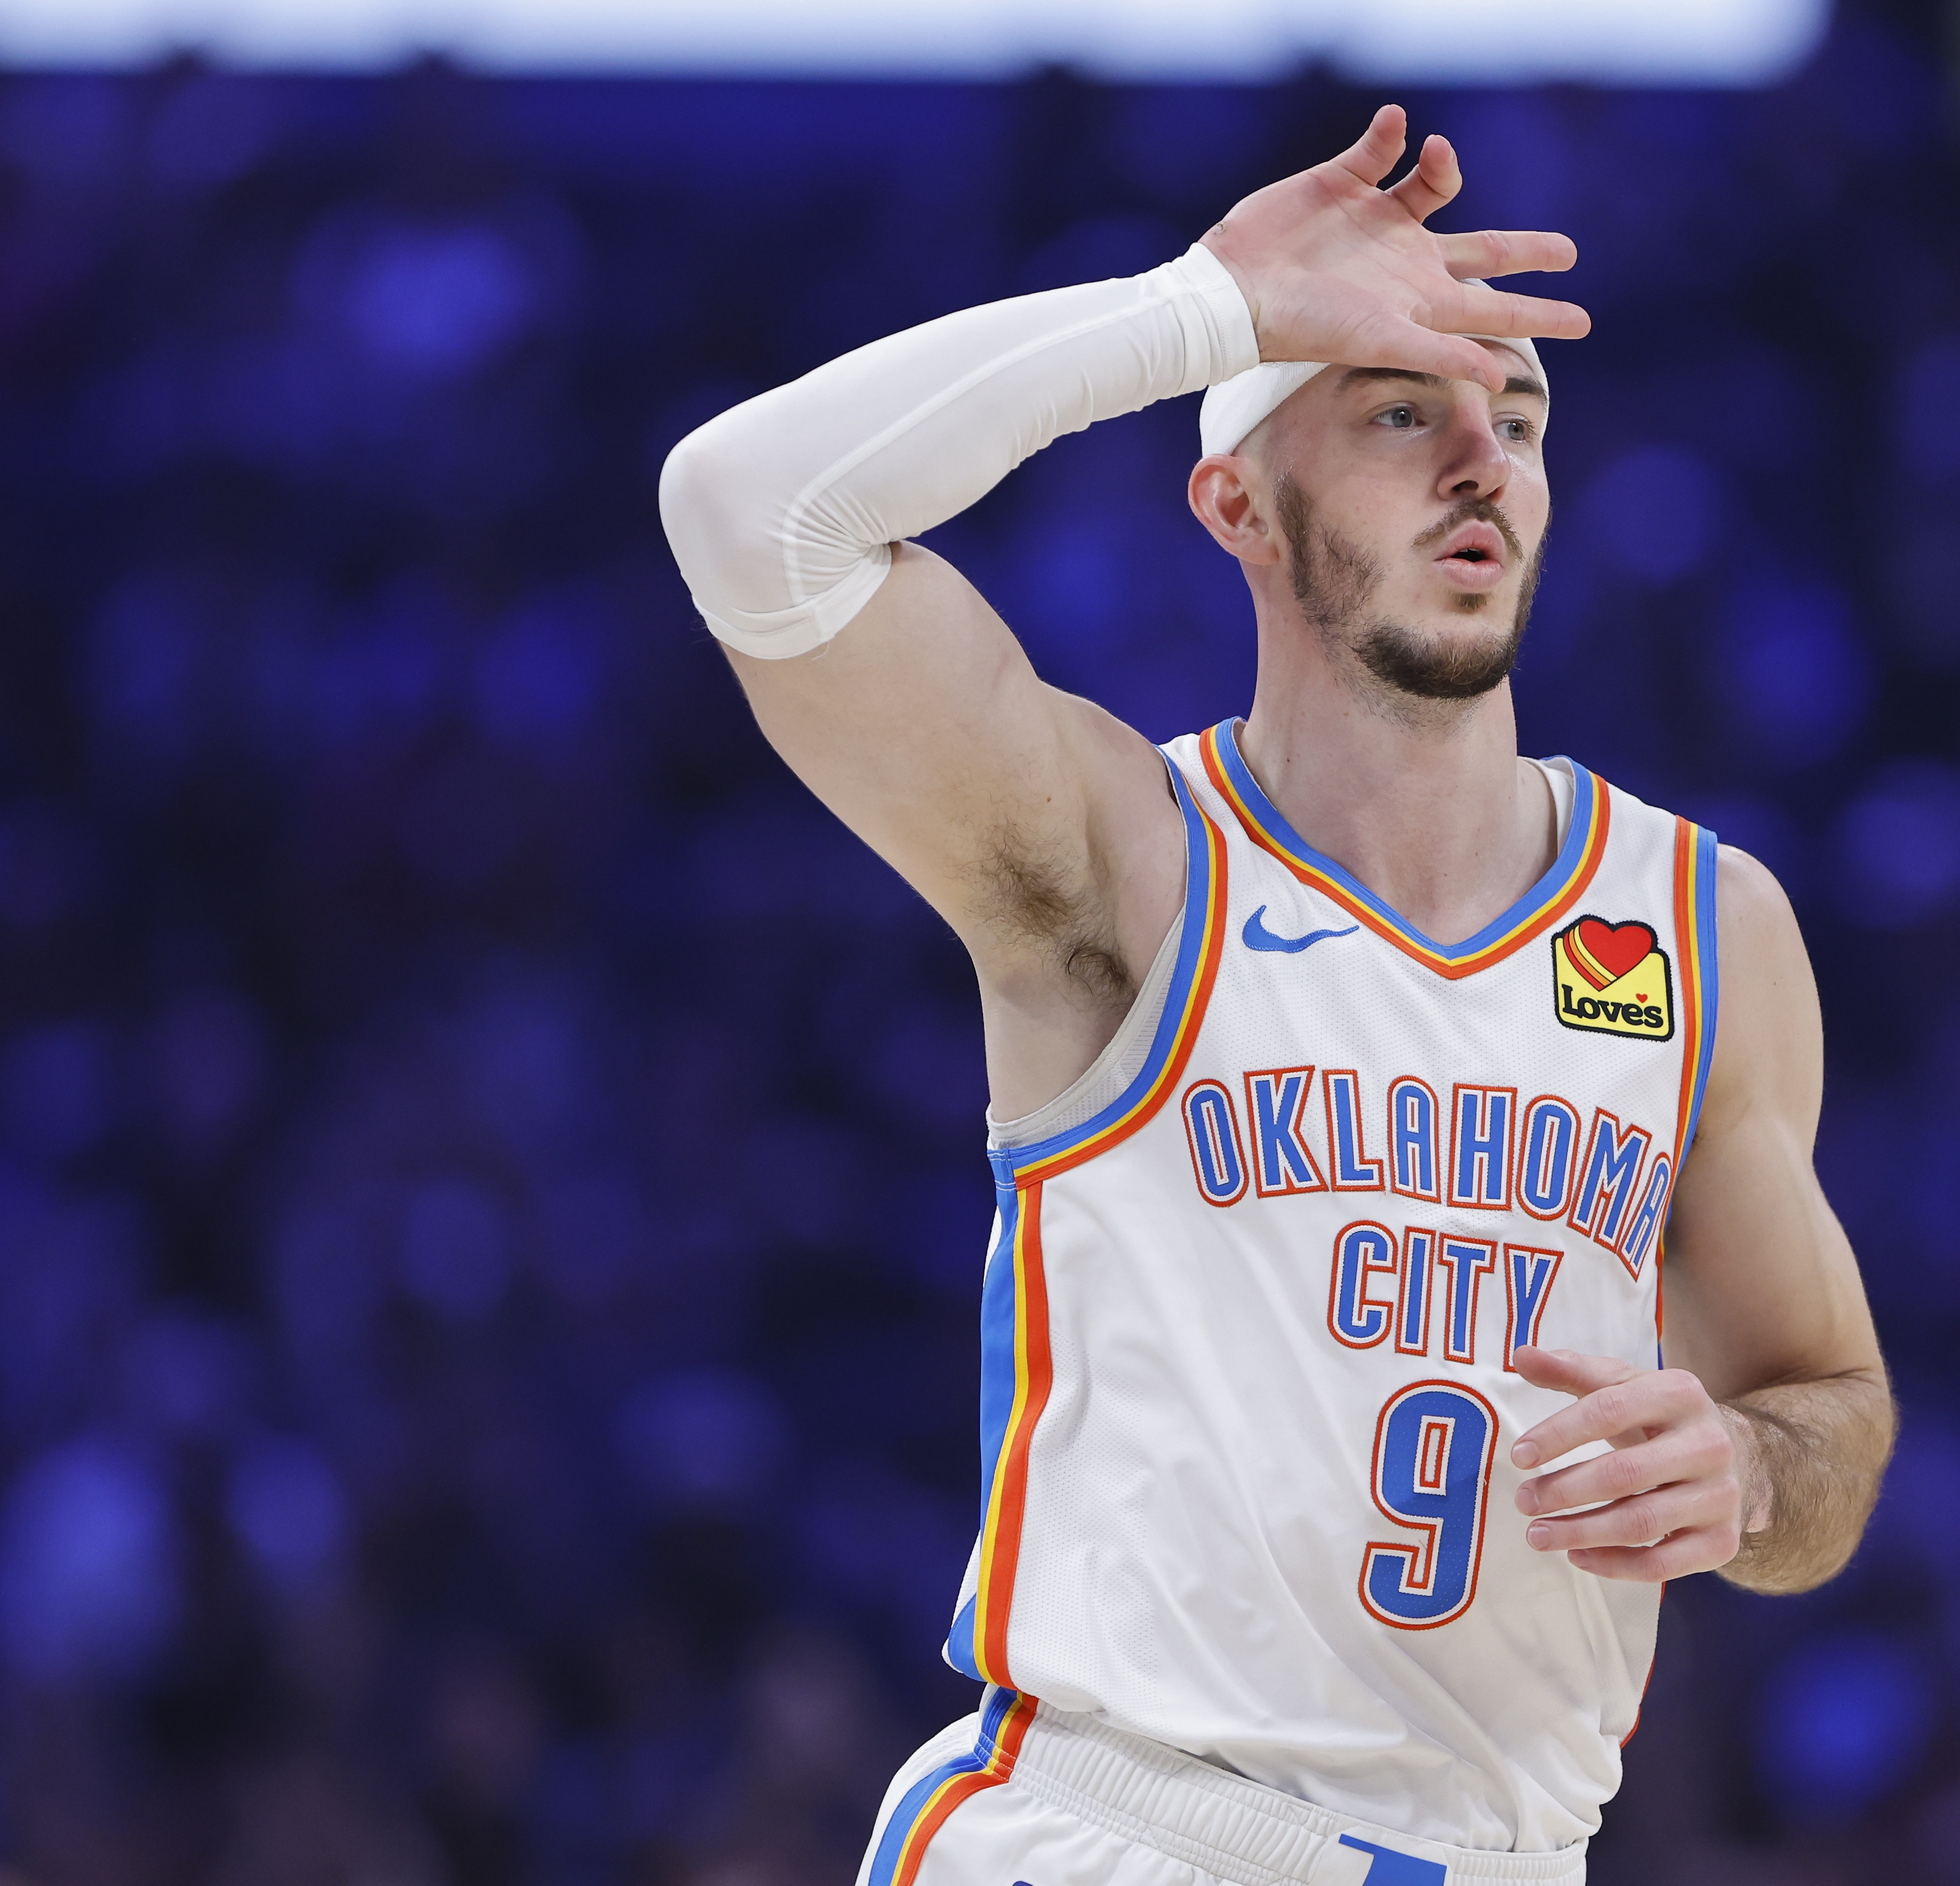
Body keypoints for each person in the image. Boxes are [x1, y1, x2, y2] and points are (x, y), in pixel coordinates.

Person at [659, 105, 1893, 1886]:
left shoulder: (1704, 925)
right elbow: (744, 515)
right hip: (1128, 1835)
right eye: (1400, 413)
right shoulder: (1123, 857)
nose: (1479, 463)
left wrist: (1754, 1478)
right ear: (1238, 501)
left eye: (1517, 422)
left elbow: (1828, 1408)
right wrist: (1196, 315)